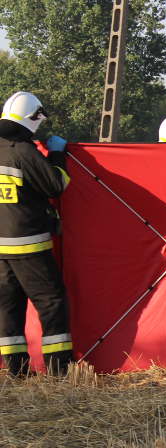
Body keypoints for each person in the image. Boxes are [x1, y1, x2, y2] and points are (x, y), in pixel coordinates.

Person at [0, 91, 73, 377]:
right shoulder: (23, 150)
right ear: (32, 119)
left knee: (8, 308)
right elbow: (56, 184)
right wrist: (57, 154)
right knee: (51, 302)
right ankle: (58, 369)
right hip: (28, 244)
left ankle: (17, 371)